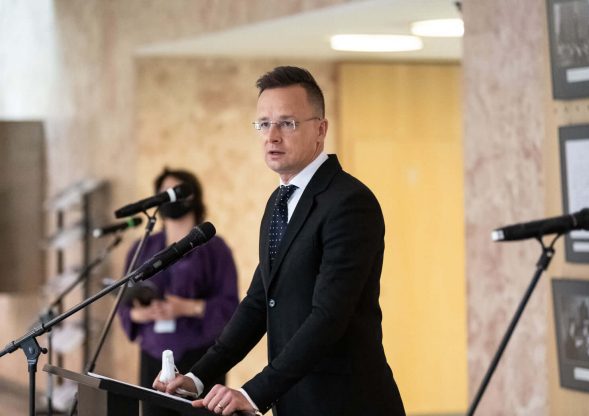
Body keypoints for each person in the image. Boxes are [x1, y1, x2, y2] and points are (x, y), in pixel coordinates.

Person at [153, 66, 405, 416]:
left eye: (287, 123)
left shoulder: (349, 203)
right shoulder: (279, 202)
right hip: (293, 402)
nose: (272, 136)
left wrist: (253, 393)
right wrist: (198, 377)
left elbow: (329, 316)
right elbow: (259, 302)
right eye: (263, 124)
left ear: (320, 129)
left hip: (346, 402)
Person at [118, 168, 239, 416]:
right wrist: (141, 314)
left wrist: (187, 307)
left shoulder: (216, 249)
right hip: (153, 355)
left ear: (192, 196)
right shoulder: (143, 247)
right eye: (162, 192)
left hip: (201, 356)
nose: (167, 197)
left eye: (173, 191)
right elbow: (124, 304)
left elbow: (230, 306)